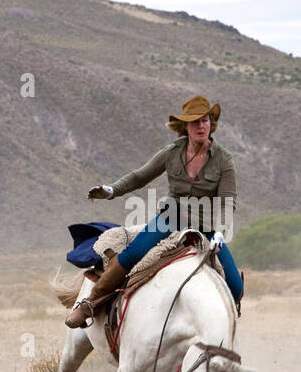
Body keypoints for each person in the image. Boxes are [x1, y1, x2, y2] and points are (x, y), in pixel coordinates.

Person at [65, 96, 243, 328]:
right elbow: (140, 176)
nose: (201, 126)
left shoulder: (223, 159)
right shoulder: (171, 152)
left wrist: (219, 232)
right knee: (133, 253)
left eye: (205, 120)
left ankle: (222, 326)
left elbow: (227, 202)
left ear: (211, 124)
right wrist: (111, 190)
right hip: (171, 218)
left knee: (236, 288)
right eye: (195, 122)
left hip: (206, 225)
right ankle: (90, 302)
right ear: (185, 127)